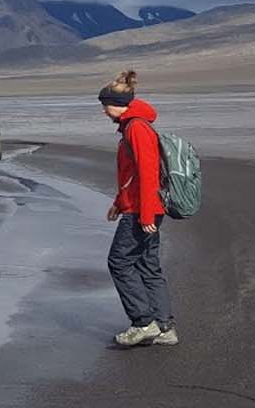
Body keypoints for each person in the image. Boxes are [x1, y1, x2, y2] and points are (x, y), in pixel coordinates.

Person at [99, 70, 178, 346]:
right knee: (147, 264)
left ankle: (143, 322)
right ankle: (165, 327)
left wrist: (144, 214)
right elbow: (131, 176)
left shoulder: (136, 128)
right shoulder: (134, 125)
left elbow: (147, 174)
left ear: (115, 104)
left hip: (142, 211)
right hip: (139, 207)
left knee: (119, 262)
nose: (103, 112)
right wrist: (118, 204)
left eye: (104, 106)